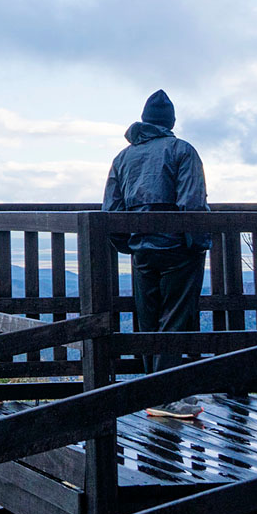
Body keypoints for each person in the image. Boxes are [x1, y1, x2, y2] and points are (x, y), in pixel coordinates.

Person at [103, 89, 210, 419]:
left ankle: (156, 392)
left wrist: (130, 244)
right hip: (178, 248)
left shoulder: (123, 158)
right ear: (171, 122)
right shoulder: (182, 151)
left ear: (145, 120)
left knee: (148, 321)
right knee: (174, 321)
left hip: (142, 250)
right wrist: (195, 244)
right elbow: (192, 203)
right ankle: (164, 397)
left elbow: (112, 210)